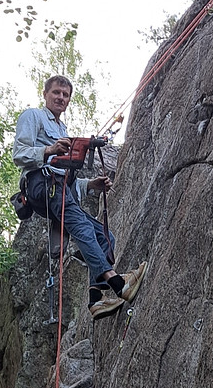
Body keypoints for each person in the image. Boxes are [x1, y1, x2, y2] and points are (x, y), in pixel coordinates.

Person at [13, 75, 145, 318]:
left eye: (65, 95)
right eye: (56, 92)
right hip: (42, 184)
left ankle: (96, 299)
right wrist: (49, 150)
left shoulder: (62, 130)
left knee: (105, 237)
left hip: (58, 187)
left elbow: (66, 177)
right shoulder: (33, 116)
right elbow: (19, 154)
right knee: (82, 227)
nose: (61, 98)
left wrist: (90, 185)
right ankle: (118, 284)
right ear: (45, 94)